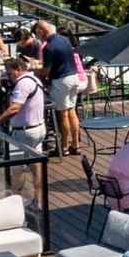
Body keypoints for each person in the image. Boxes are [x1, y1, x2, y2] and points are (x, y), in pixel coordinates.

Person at [0, 57, 47, 204]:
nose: (9, 76)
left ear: (18, 69)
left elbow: (15, 108)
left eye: (10, 72)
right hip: (37, 128)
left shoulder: (23, 84)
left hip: (24, 131)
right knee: (35, 164)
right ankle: (38, 200)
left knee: (16, 167)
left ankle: (15, 201)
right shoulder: (34, 80)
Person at [35, 20, 86, 157]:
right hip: (74, 77)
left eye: (37, 33)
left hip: (61, 81)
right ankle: (75, 145)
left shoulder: (49, 47)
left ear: (42, 32)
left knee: (62, 114)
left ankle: (63, 147)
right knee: (72, 111)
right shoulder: (64, 40)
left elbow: (46, 71)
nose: (37, 36)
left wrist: (34, 71)